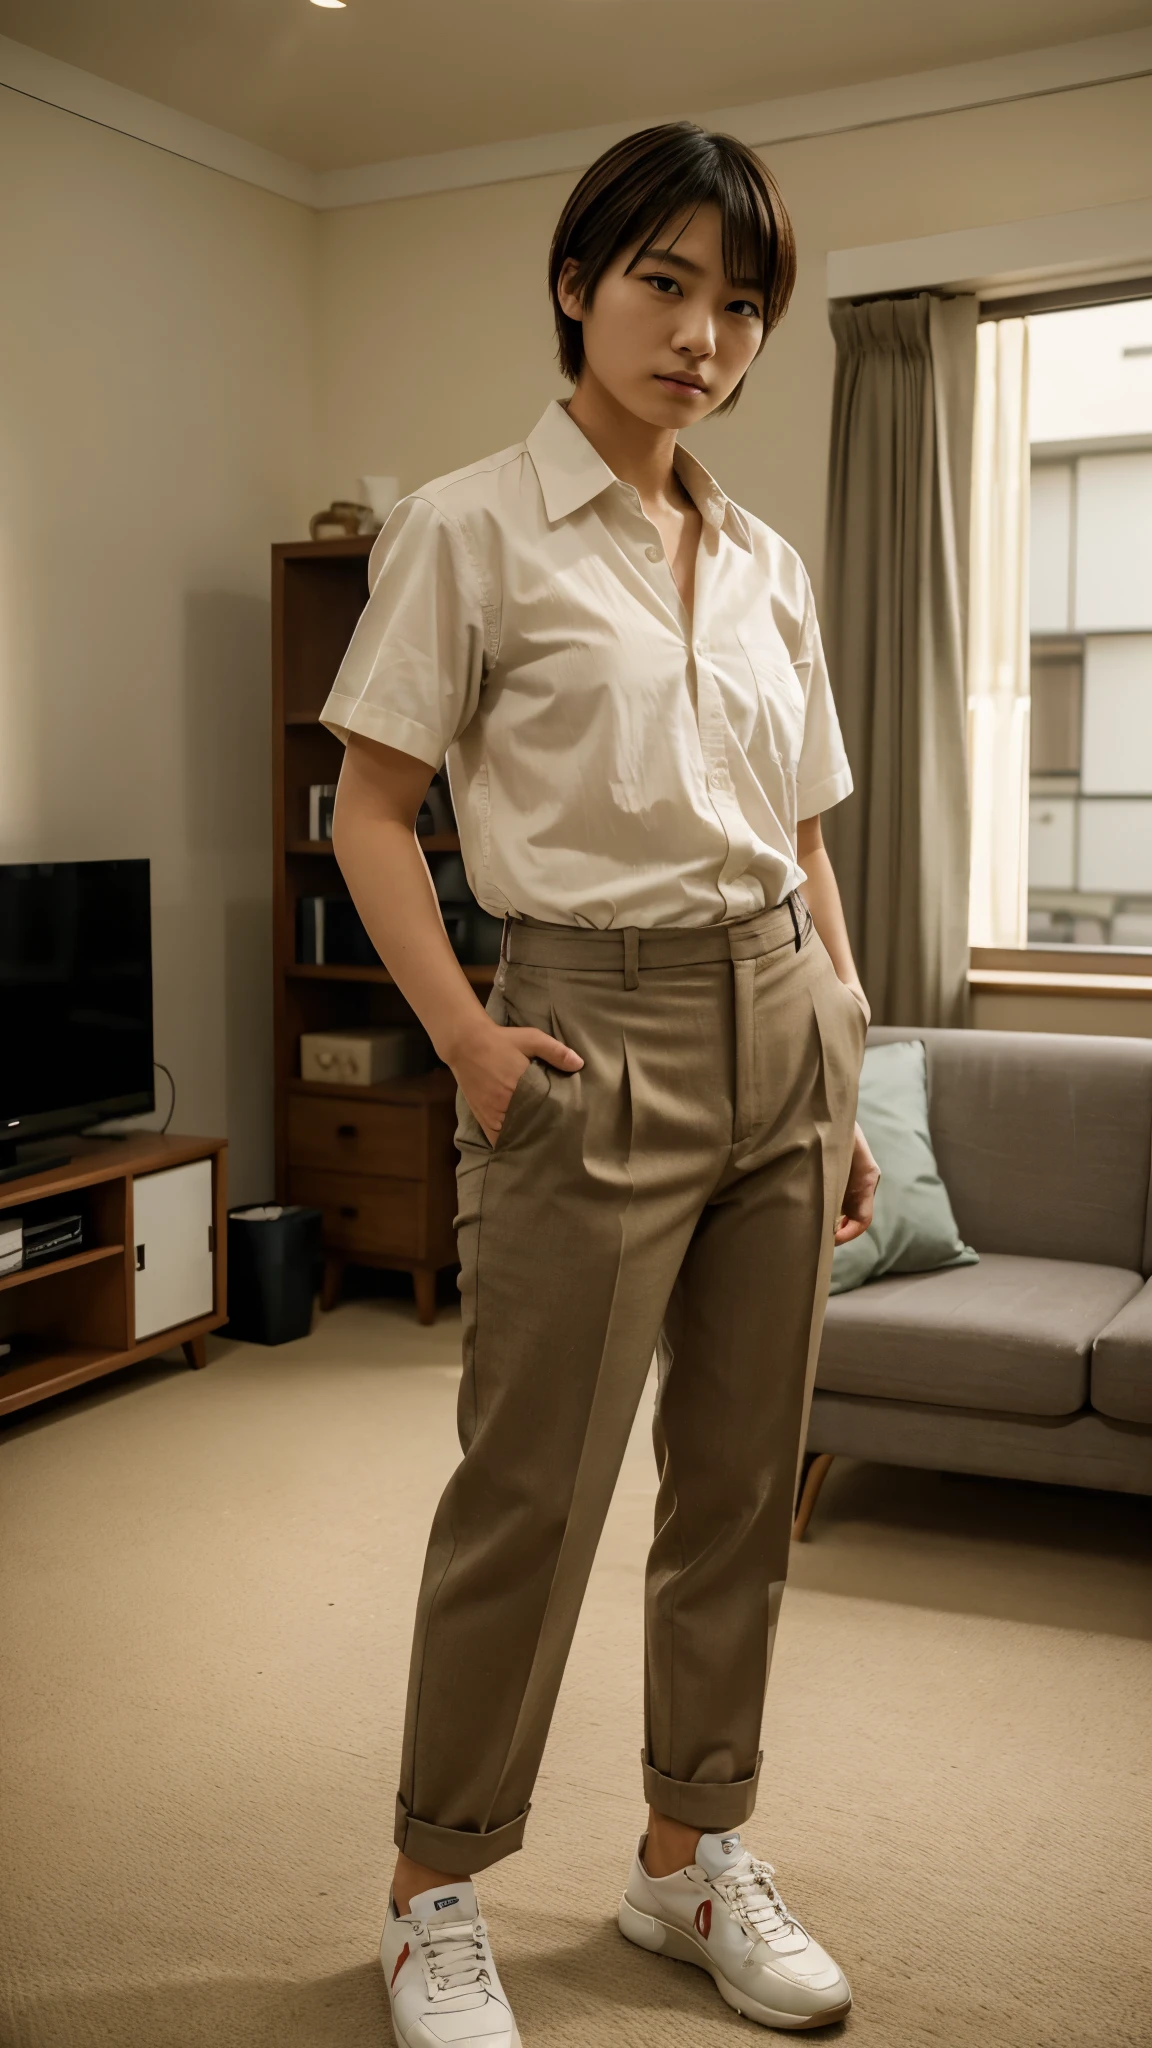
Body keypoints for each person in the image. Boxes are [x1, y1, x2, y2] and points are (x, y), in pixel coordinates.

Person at [323, 120, 879, 2044]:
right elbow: (372, 808)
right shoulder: (470, 527)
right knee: (532, 1491)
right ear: (578, 283)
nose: (701, 334)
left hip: (779, 1029)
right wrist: (468, 1040)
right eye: (665, 282)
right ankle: (433, 1887)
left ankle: (681, 1860)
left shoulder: (771, 564)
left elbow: (801, 834)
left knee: (738, 1490)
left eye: (739, 306)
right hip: (583, 1026)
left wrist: (845, 1051)